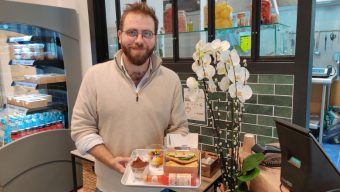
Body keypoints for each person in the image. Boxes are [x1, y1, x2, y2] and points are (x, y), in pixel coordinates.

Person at [71, 2, 188, 192]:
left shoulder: (171, 80)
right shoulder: (95, 76)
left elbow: (179, 128)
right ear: (119, 36)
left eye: (147, 33)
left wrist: (171, 154)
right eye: (132, 32)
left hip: (157, 187)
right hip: (110, 187)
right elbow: (81, 129)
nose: (139, 40)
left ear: (155, 38)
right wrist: (110, 160)